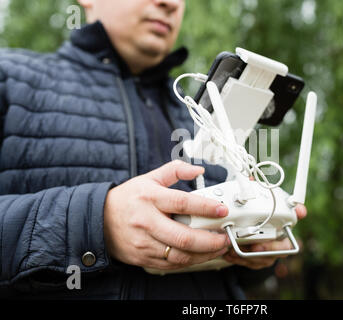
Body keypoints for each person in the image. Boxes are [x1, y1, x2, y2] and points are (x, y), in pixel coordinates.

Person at [0, 0, 307, 299]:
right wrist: (98, 223)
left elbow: (233, 268)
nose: (170, 3)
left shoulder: (206, 116)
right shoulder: (10, 78)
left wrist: (258, 254)